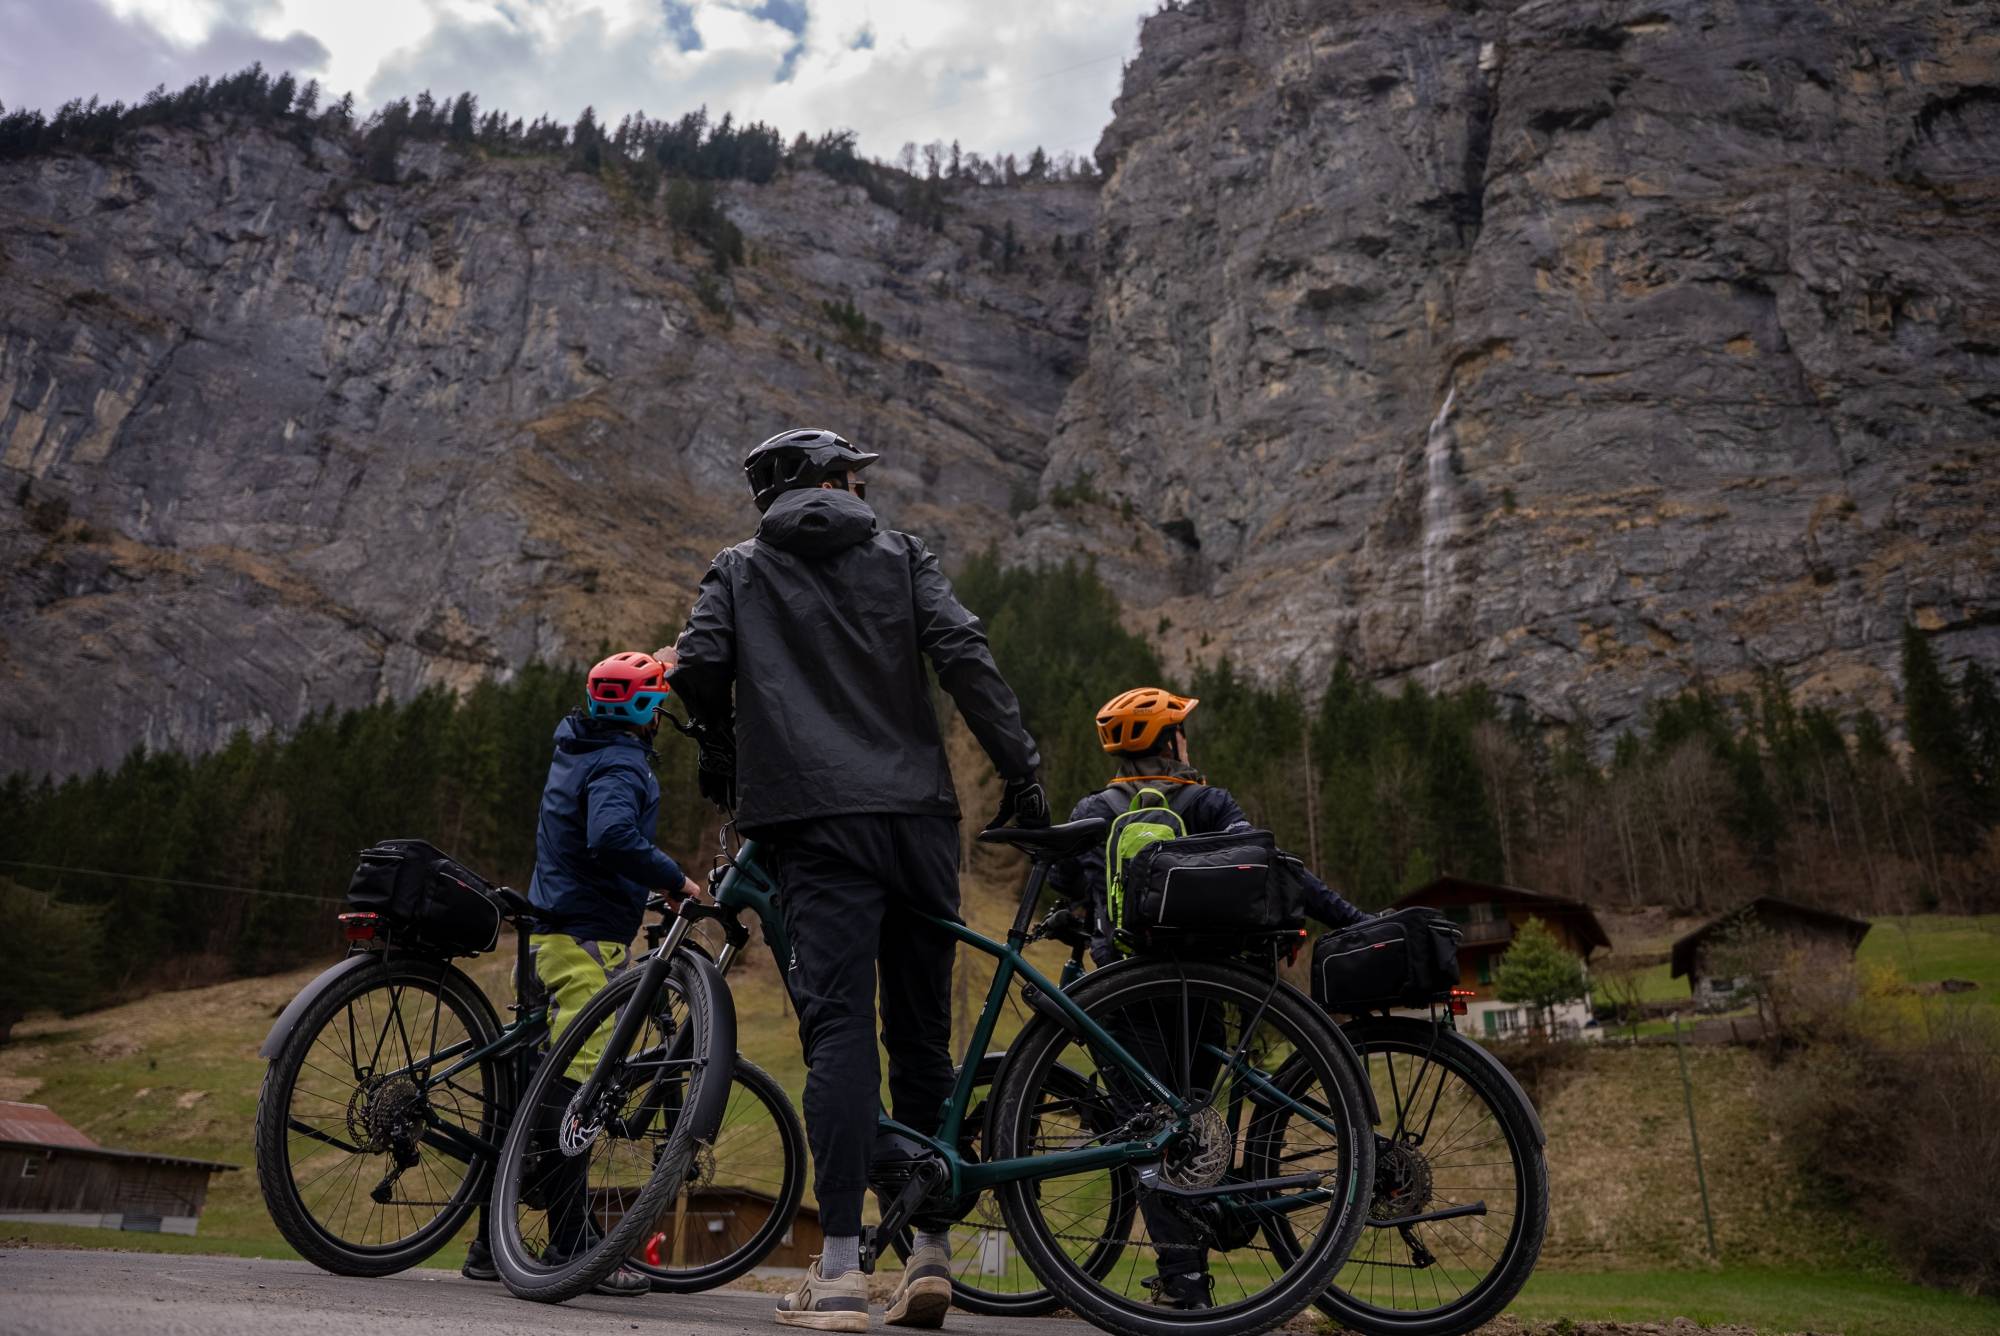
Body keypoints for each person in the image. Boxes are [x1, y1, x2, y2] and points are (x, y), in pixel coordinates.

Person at [669, 428, 1047, 1332]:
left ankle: (838, 1275)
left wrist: (721, 749)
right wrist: (1022, 770)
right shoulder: (903, 554)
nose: (860, 490)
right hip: (917, 819)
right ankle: (929, 1258)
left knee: (840, 1034)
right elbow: (964, 655)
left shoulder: (740, 565)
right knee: (923, 1036)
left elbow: (696, 667)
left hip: (812, 824)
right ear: (829, 482)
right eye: (851, 476)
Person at [1046, 685, 1369, 1309]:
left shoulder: (1095, 808)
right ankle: (1199, 1259)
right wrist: (1344, 919)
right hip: (1207, 986)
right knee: (1197, 1124)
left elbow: (1068, 883)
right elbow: (1267, 864)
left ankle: (1184, 1282)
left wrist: (1078, 914)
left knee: (1151, 1134)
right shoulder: (1210, 801)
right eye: (1182, 731)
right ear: (1169, 742)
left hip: (1127, 992)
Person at [461, 650, 692, 1296]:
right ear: (644, 710)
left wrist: (671, 655)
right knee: (578, 1089)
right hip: (587, 943)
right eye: (658, 700)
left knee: (534, 1089)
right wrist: (673, 879)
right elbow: (612, 836)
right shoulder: (621, 762)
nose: (663, 711)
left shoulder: (579, 746)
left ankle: (489, 1244)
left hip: (549, 937)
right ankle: (571, 1243)